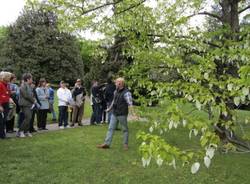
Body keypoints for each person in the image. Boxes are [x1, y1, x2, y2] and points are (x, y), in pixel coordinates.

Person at [97, 77, 134, 150]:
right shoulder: (115, 91)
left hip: (122, 114)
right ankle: (107, 144)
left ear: (120, 83)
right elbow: (113, 101)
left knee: (125, 130)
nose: (115, 83)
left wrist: (133, 114)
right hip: (114, 113)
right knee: (110, 128)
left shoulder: (127, 93)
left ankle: (125, 144)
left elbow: (130, 104)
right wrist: (109, 109)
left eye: (116, 82)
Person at [18, 73, 35, 138]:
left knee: (29, 118)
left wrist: (33, 100)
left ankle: (26, 131)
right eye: (31, 79)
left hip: (29, 104)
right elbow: (26, 95)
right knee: (28, 117)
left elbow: (31, 94)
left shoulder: (29, 86)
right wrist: (33, 100)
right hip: (25, 104)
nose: (32, 80)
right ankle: (20, 131)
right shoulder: (23, 86)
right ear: (27, 79)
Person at [0, 71, 12, 139]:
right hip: (2, 104)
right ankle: (2, 135)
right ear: (5, 77)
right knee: (1, 120)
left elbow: (8, 93)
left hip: (6, 103)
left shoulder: (7, 84)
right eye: (9, 77)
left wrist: (9, 99)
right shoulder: (0, 84)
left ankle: (3, 134)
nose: (10, 79)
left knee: (4, 120)